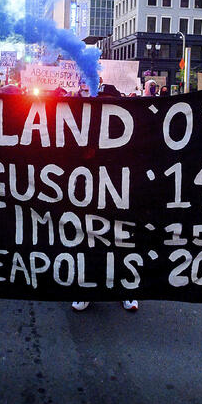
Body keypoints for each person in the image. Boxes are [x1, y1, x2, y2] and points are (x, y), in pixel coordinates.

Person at [71, 84, 139, 313]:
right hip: (89, 198)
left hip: (121, 198)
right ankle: (86, 290)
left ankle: (125, 290)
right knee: (89, 243)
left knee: (121, 244)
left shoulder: (132, 131)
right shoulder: (85, 129)